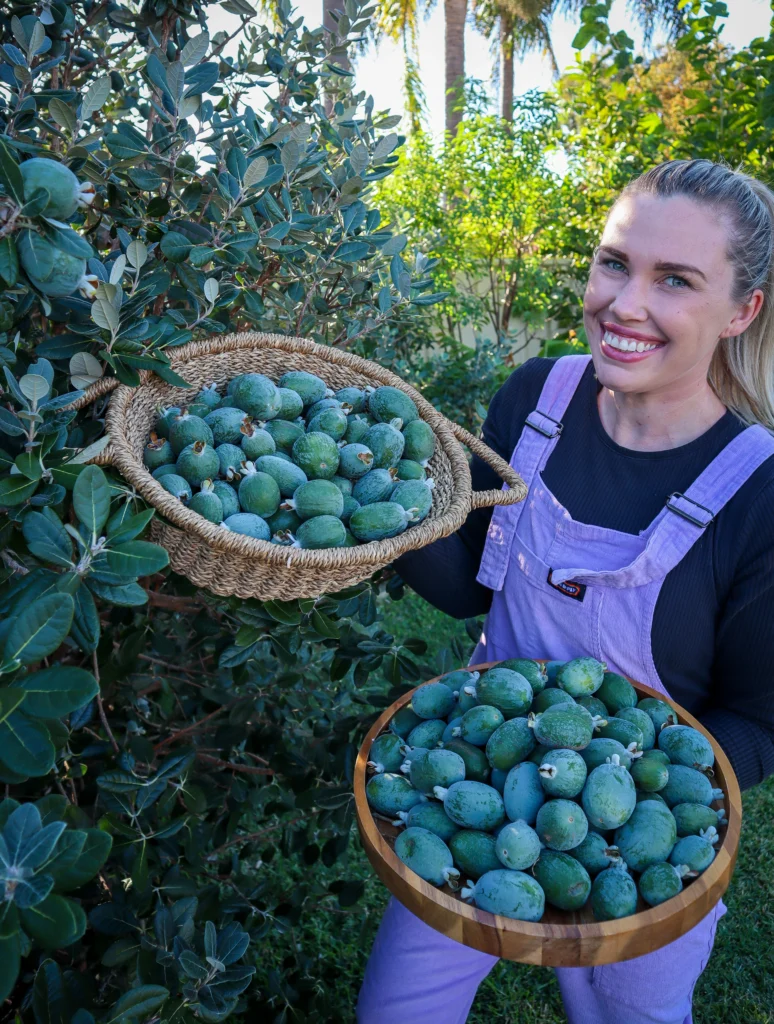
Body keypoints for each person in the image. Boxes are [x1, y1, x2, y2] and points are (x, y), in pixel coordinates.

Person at [356, 158, 774, 1024]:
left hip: (631, 839)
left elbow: (759, 721)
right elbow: (476, 587)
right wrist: (385, 523)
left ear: (742, 311)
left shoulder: (759, 492)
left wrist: (608, 793)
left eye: (676, 281)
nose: (624, 304)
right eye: (614, 263)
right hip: (477, 769)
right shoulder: (534, 398)